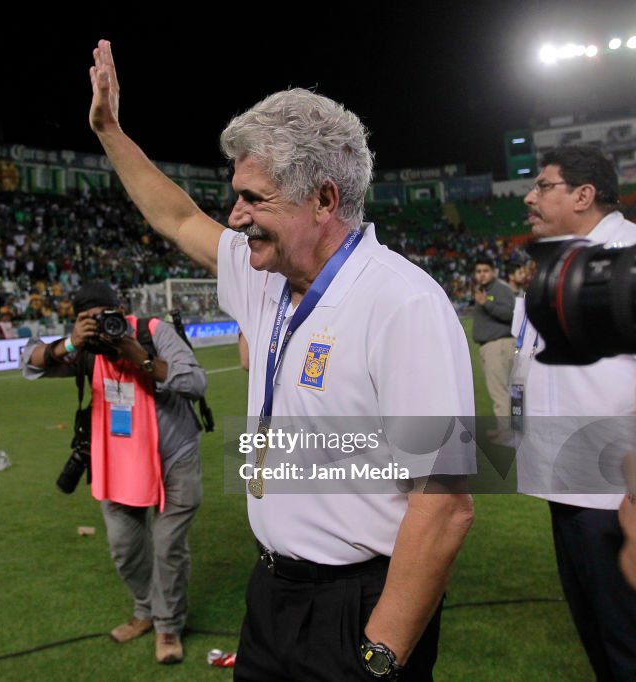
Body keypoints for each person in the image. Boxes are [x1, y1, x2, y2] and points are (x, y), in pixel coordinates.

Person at [88, 40, 475, 680]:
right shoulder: (260, 270)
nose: (236, 216)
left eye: (255, 198)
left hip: (361, 602)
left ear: (324, 200)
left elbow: (446, 503)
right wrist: (109, 130)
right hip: (271, 589)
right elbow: (177, 216)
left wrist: (381, 653)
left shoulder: (402, 304)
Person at [21, 281, 207, 665]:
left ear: (120, 310)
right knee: (125, 548)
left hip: (175, 454)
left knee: (169, 545)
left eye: (104, 317)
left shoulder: (151, 333)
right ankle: (145, 610)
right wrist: (71, 343)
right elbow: (29, 362)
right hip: (120, 461)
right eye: (87, 320)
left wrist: (137, 356)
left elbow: (194, 382)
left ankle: (167, 625)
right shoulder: (85, 349)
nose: (99, 326)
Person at [515, 145, 636, 680]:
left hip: (616, 494)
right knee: (602, 638)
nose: (529, 197)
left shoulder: (628, 257)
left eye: (544, 186)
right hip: (569, 484)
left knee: (626, 642)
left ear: (584, 195)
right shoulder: (560, 258)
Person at [471, 257, 515, 434]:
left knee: (500, 392)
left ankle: (506, 433)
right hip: (491, 346)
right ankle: (507, 430)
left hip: (498, 346)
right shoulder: (485, 290)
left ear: (493, 272)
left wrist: (486, 303)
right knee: (502, 391)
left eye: (485, 271)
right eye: (478, 271)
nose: (481, 275)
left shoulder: (499, 289)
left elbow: (509, 314)